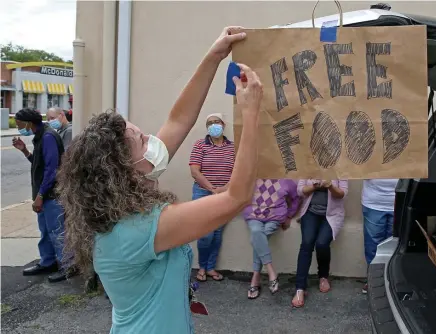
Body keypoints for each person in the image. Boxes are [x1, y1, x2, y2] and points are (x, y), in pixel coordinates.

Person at [56, 27, 263, 334]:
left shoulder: (120, 206)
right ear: (124, 169)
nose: (152, 139)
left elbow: (179, 120)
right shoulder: (137, 230)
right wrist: (252, 115)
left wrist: (213, 56)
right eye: (142, 140)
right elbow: (237, 197)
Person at [12, 108, 75, 283]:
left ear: (28, 123)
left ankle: (68, 266)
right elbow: (39, 163)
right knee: (46, 231)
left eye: (19, 124)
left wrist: (40, 195)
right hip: (45, 194)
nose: (18, 127)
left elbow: (52, 169)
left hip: (51, 195)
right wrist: (25, 151)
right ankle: (48, 262)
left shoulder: (48, 137)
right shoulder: (41, 136)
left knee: (57, 231)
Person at [189, 113, 235, 282]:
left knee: (217, 232)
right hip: (203, 192)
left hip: (225, 194)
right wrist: (212, 189)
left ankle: (210, 268)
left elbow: (237, 173)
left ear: (223, 124)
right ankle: (201, 266)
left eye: (216, 122)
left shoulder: (232, 148)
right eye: (210, 123)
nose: (213, 125)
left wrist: (224, 189)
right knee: (205, 233)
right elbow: (195, 171)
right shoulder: (200, 145)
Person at [292, 179, 348, 308]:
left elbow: (343, 193)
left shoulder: (340, 168)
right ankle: (300, 288)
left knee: (322, 244)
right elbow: (300, 191)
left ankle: (323, 276)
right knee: (306, 244)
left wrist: (330, 186)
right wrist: (314, 186)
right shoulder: (309, 164)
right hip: (311, 213)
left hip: (332, 215)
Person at [243, 179, 300, 299]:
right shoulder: (253, 175)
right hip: (254, 216)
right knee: (256, 232)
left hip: (274, 218)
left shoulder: (286, 179)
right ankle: (271, 271)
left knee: (257, 238)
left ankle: (256, 278)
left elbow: (296, 198)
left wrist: (289, 215)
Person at [361, 178, 398, 294]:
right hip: (373, 202)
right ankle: (374, 281)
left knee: (395, 246)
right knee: (373, 247)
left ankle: (393, 281)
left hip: (400, 200)